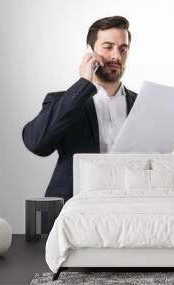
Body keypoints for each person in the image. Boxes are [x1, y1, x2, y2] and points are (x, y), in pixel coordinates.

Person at [22, 16, 137, 202]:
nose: (116, 56)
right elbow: (37, 143)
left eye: (123, 49)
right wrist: (83, 83)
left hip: (128, 207)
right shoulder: (65, 101)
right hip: (76, 205)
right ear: (90, 51)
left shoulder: (141, 105)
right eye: (108, 47)